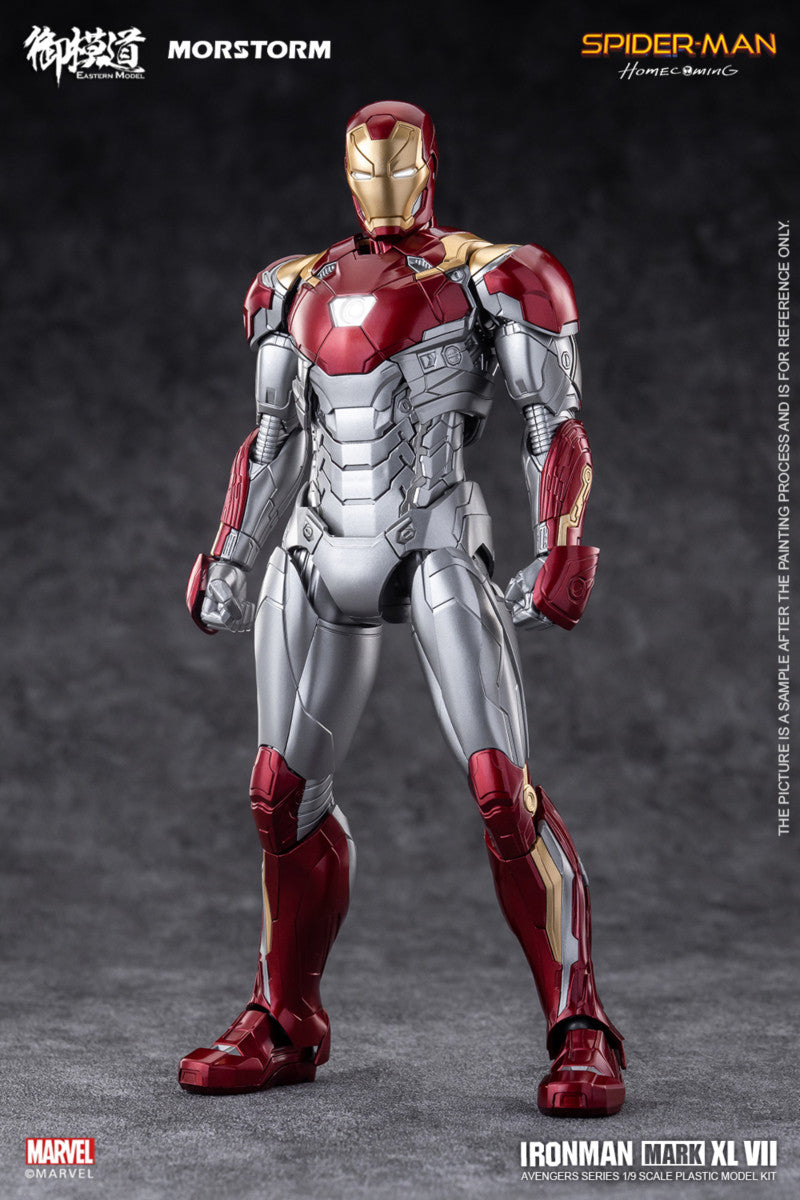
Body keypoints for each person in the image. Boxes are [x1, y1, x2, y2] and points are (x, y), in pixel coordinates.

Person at [180, 100, 625, 1116]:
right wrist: (231, 554)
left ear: (428, 165)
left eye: (401, 164)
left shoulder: (494, 276)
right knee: (277, 797)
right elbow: (272, 439)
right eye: (366, 166)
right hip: (315, 550)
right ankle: (284, 1017)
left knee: (500, 793)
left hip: (432, 545)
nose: (383, 183)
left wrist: (561, 547)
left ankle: (581, 1026)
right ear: (347, 172)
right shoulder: (289, 286)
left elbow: (552, 424)